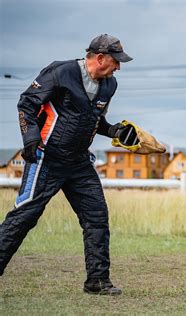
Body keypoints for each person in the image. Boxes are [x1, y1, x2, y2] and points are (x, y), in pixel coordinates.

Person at [0, 34, 133, 295]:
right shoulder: (61, 72)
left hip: (80, 162)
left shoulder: (110, 85)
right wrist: (29, 138)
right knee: (25, 216)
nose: (118, 67)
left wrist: (115, 131)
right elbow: (26, 104)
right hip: (46, 158)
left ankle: (97, 281)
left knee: (96, 217)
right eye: (116, 62)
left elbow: (93, 120)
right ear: (99, 58)